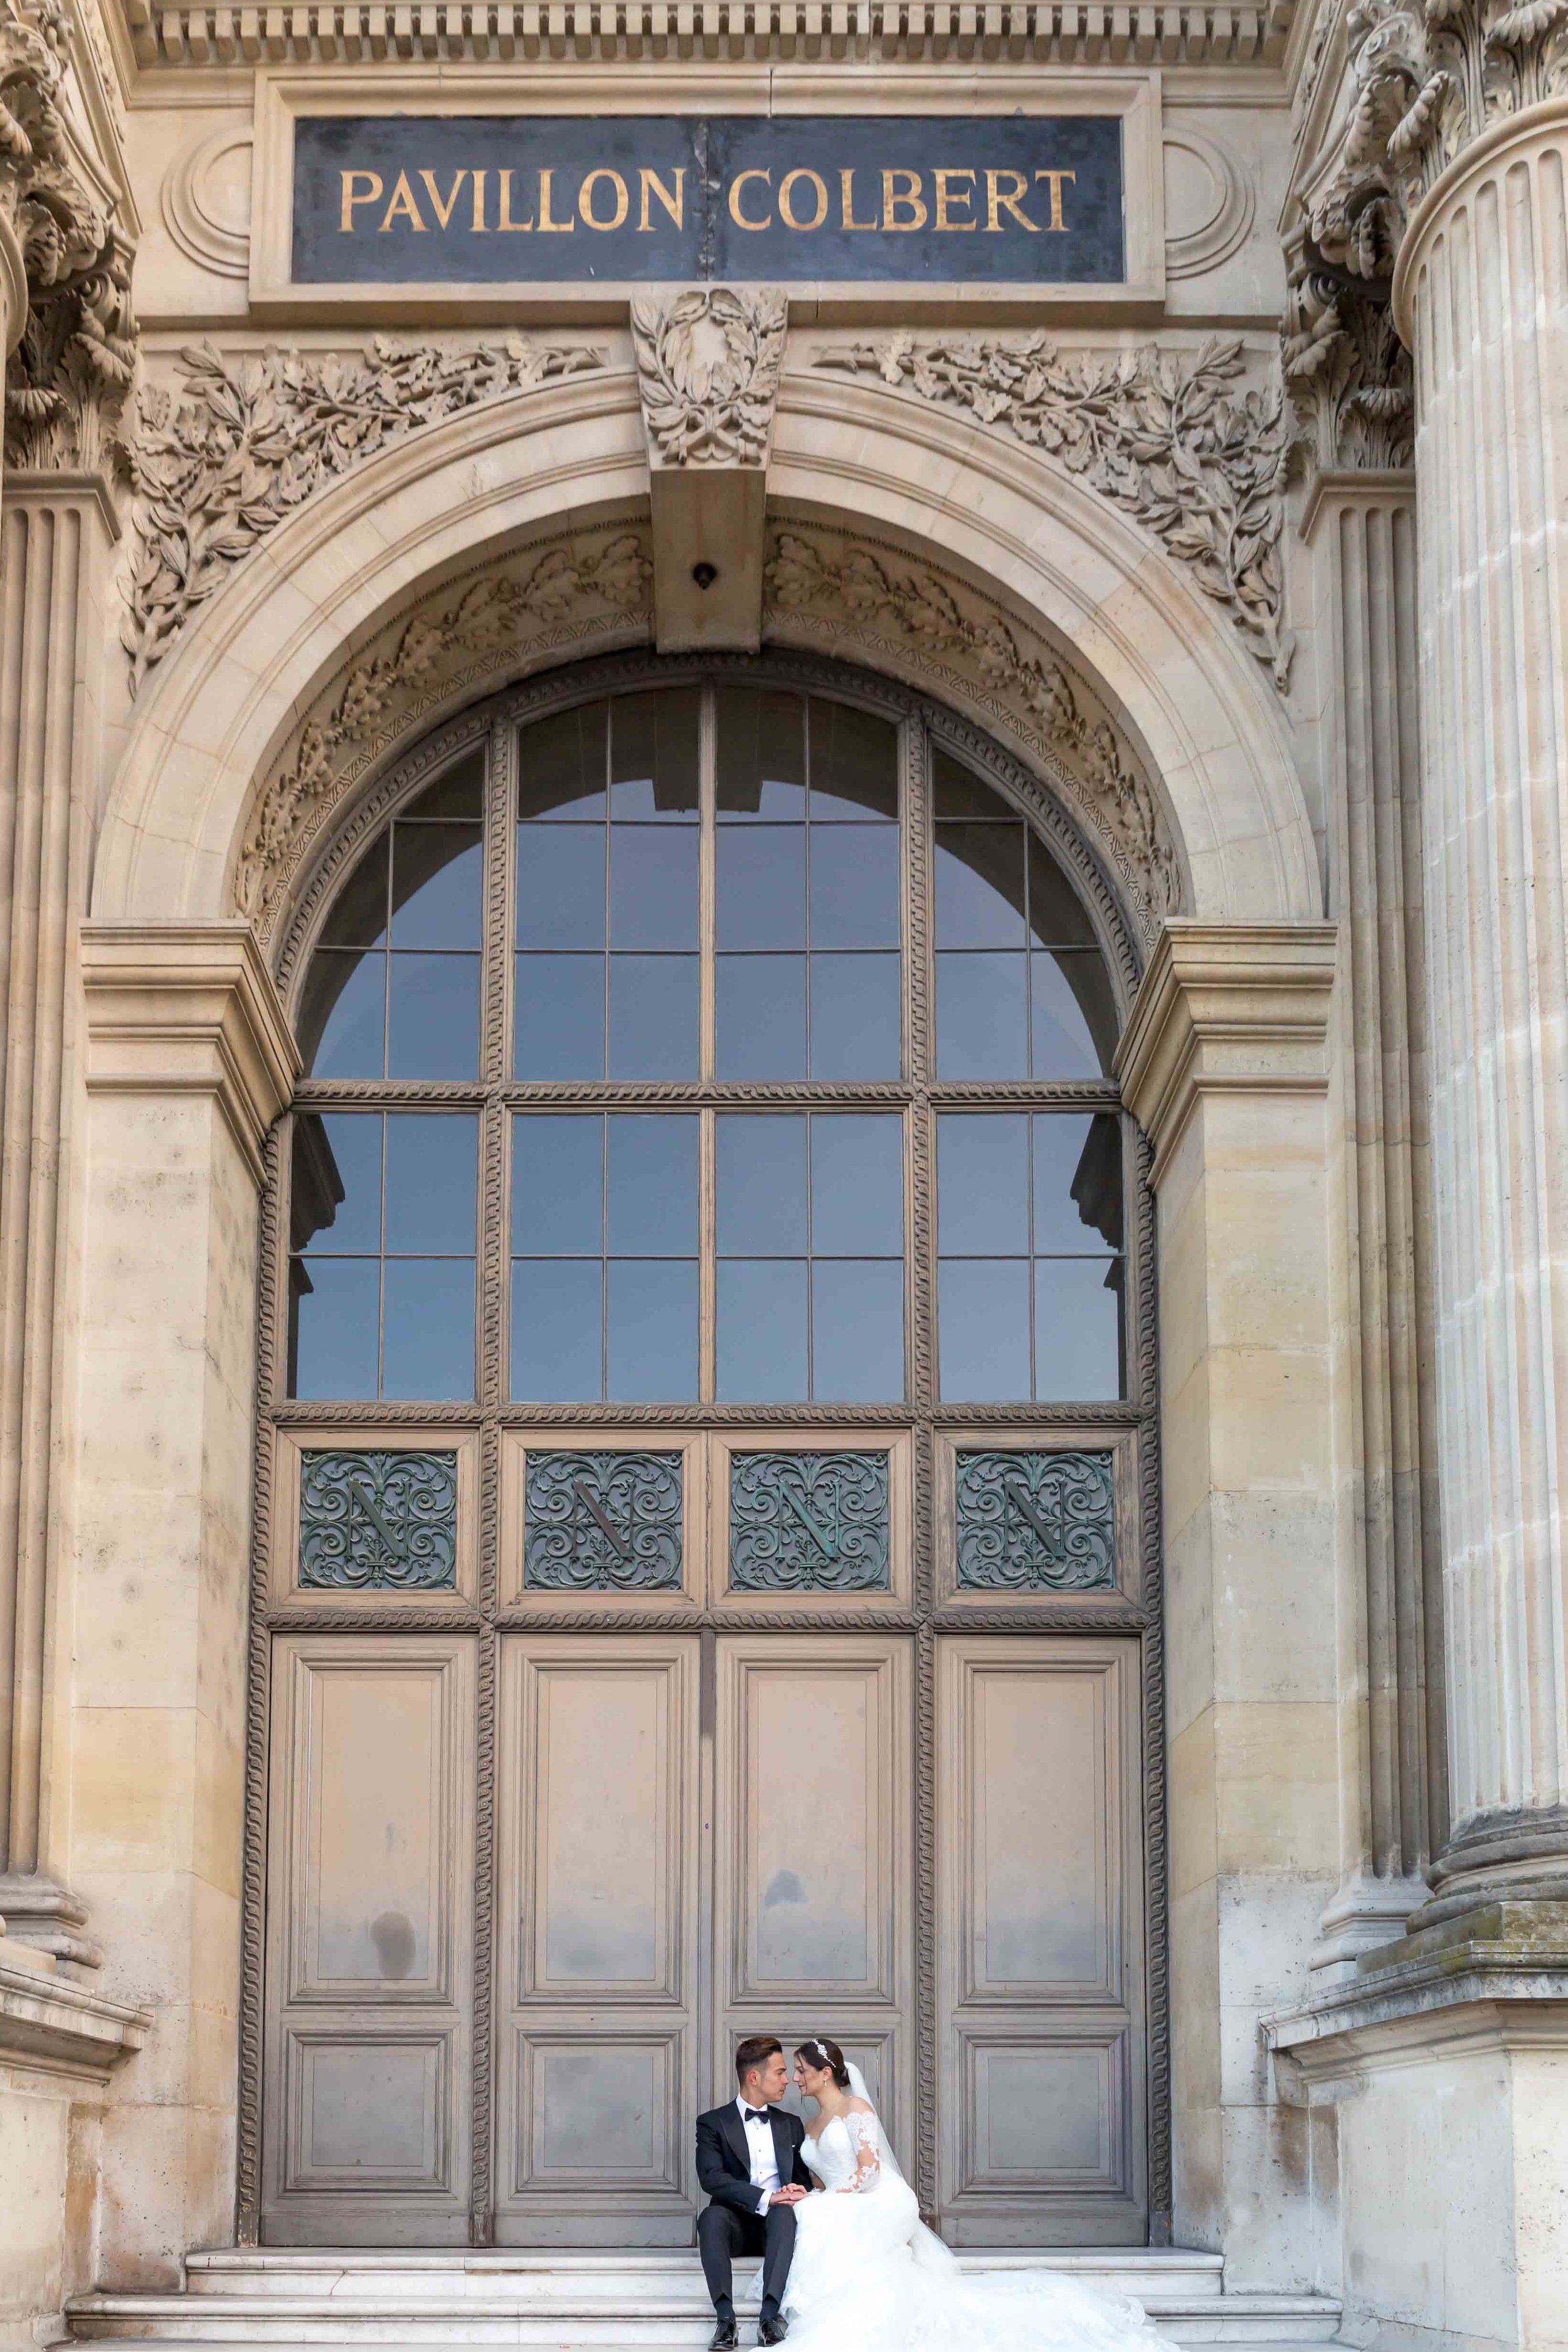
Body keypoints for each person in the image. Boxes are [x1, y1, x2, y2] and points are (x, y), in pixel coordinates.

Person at [781, 2035, 1161, 2352]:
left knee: (818, 2214)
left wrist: (824, 2199)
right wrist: (811, 2191)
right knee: (813, 2212)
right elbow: (828, 2177)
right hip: (844, 2199)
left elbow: (868, 2171)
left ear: (825, 2073)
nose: (795, 2077)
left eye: (801, 2069)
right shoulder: (811, 2122)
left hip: (877, 2197)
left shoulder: (855, 2107)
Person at [696, 2035, 814, 2351]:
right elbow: (711, 2178)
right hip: (733, 2223)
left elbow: (804, 2182)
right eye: (779, 2072)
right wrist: (766, 2197)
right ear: (754, 2077)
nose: (787, 2080)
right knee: (710, 2217)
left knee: (785, 2212)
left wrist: (797, 2190)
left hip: (777, 2227)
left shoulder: (791, 2124)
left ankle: (769, 2319)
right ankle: (725, 2320)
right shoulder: (712, 2123)